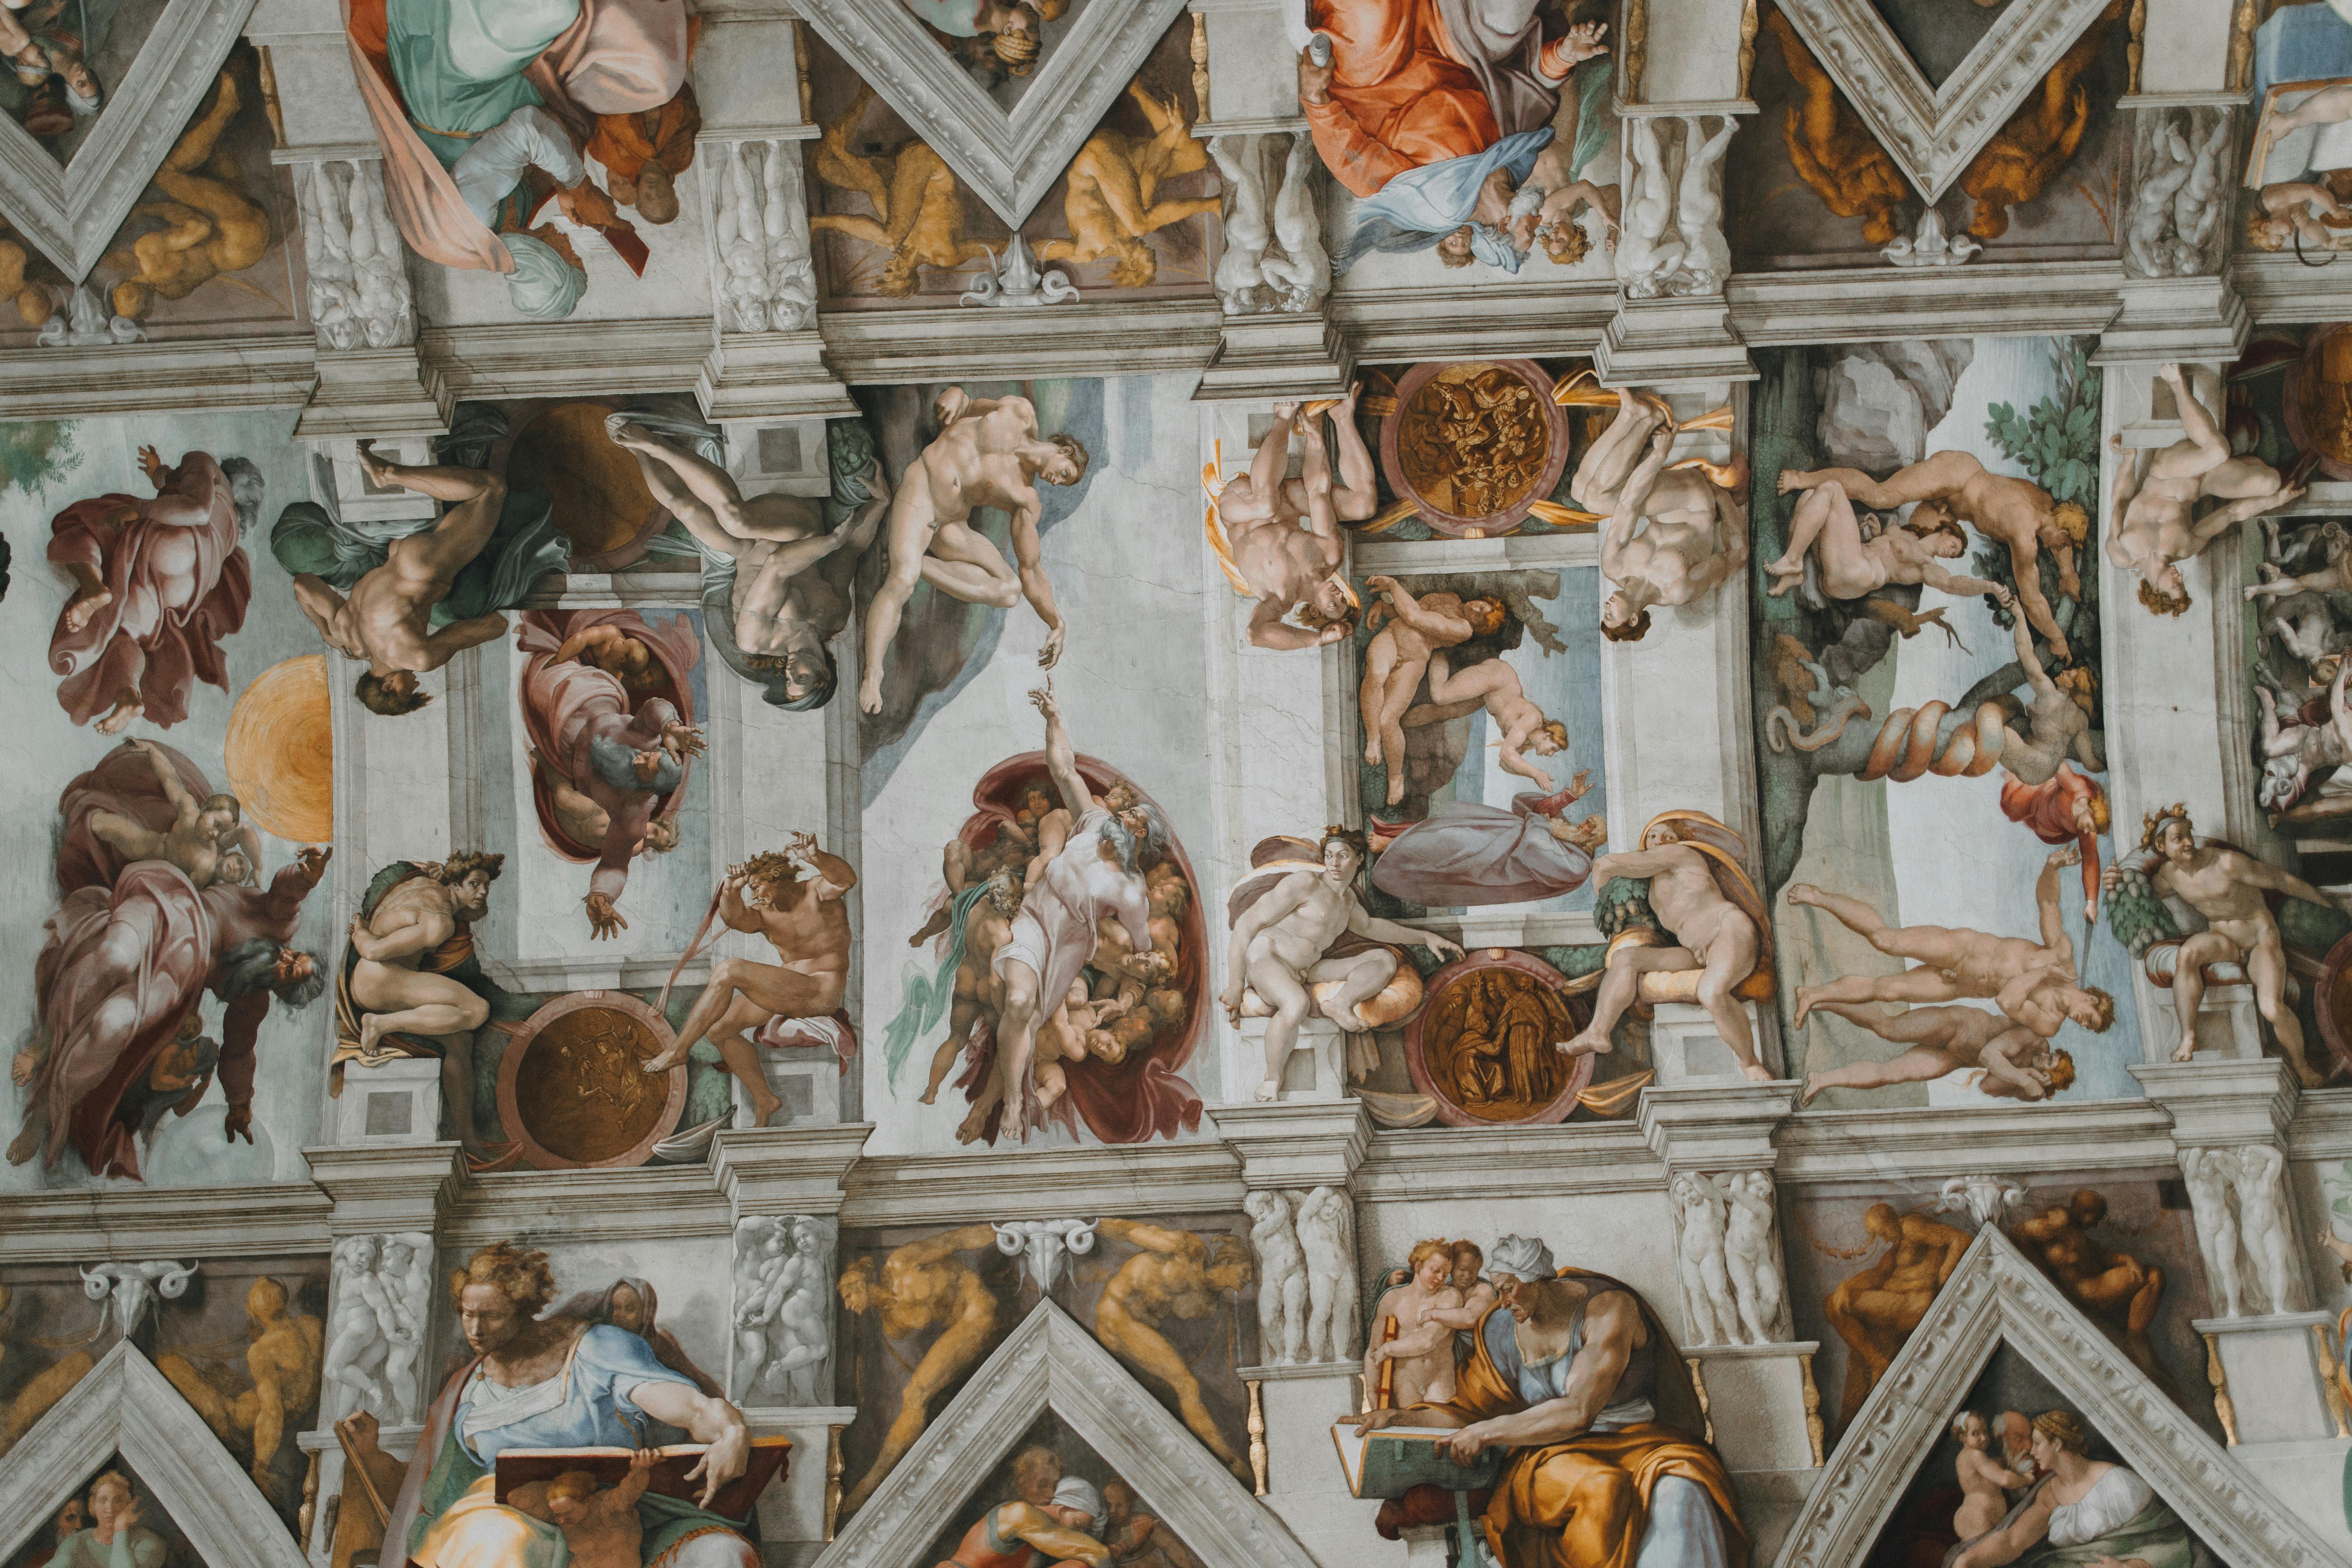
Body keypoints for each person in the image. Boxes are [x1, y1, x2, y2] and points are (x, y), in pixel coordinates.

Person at [343, 1241, 757, 1568]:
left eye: (492, 1316)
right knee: (502, 1542)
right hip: (506, 1520)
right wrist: (370, 1453)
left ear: (526, 1311)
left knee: (722, 1555)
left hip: (626, 1518)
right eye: (468, 1315)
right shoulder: (466, 1390)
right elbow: (430, 1490)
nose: (476, 1329)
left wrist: (732, 1432)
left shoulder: (595, 1350)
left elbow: (693, 1409)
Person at [1341, 1233, 1746, 1567]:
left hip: (1638, 1439)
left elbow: (1579, 1411)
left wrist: (1487, 1432)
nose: (1502, 1302)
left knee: (1682, 1492)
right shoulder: (1501, 1330)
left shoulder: (1607, 1309)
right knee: (1601, 1487)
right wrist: (1397, 1416)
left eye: (1508, 1289)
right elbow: (1466, 1411)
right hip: (1550, 1453)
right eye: (1498, 1291)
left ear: (1536, 1279)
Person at [607, 420, 891, 711]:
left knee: (685, 508)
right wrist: (880, 505)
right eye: (801, 678)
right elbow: (850, 553)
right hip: (802, 529)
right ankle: (656, 443)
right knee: (736, 520)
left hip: (746, 549)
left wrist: (833, 542)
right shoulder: (834, 617)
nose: (790, 672)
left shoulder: (756, 640)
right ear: (824, 674)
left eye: (787, 679)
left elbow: (776, 568)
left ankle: (637, 450)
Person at [987, 686, 1168, 1141]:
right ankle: (1012, 1098)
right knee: (1018, 1002)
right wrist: (1054, 718)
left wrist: (1125, 999)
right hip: (1034, 920)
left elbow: (1142, 957)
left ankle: (1022, 1091)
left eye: (1134, 822)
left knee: (1029, 1016)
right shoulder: (1089, 825)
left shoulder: (1131, 892)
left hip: (1069, 946)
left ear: (1141, 838)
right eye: (1126, 815)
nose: (1123, 819)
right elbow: (1064, 770)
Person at [858, 389, 1090, 714]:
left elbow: (1031, 568)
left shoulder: (1026, 499)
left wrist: (1056, 623)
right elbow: (970, 406)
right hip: (924, 487)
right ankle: (873, 674)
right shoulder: (1019, 413)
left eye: (1063, 484)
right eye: (1065, 473)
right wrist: (956, 396)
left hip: (952, 522)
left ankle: (921, 564)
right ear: (1065, 450)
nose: (1056, 482)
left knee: (1009, 590)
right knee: (901, 579)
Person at [1222, 827, 1462, 1101]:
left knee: (1384, 959)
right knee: (1296, 1004)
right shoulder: (1305, 884)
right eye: (1329, 856)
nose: (1334, 864)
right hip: (1269, 958)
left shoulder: (1347, 903)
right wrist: (1234, 985)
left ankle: (1340, 1004)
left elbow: (1373, 928)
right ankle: (1272, 1079)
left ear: (1359, 859)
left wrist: (1425, 937)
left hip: (1306, 970)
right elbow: (1246, 925)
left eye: (1343, 856)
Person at [2104, 803, 2336, 1087]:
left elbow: (2280, 879)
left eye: (2189, 835)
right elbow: (2139, 892)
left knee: (2272, 1009)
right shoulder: (2168, 876)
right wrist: (2114, 881)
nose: (2189, 843)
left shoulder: (2225, 863)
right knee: (2187, 954)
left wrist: (2325, 903)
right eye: (2179, 839)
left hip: (2260, 939)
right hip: (2224, 941)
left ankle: (2302, 1067)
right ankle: (2188, 1037)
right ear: (2161, 846)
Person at [1775, 452, 2088, 662]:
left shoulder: (2047, 505)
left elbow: (2062, 543)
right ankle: (1801, 478)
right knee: (1880, 495)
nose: (2053, 548)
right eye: (2057, 544)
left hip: (1956, 505)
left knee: (1903, 546)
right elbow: (2031, 597)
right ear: (2059, 530)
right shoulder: (2025, 534)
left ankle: (1823, 547)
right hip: (1960, 475)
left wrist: (2069, 574)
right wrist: (2056, 637)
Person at [1787, 846, 2116, 1044]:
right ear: (2090, 998)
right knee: (1885, 940)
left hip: (1960, 986)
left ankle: (1813, 995)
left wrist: (2043, 972)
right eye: (2090, 1018)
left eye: (2088, 1027)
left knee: (1887, 990)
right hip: (1962, 949)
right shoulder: (2063, 954)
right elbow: (2048, 903)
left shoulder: (2049, 1023)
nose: (2082, 1024)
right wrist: (2051, 867)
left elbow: (2007, 999)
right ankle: (1819, 897)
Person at [290, 444, 529, 717]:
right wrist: (324, 631)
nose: (416, 683)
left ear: (388, 686)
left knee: (492, 488)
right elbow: (303, 584)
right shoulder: (348, 639)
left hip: (424, 570)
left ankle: (389, 474)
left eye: (409, 691)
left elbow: (495, 625)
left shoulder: (417, 658)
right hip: (397, 555)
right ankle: (390, 474)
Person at [639, 836, 857, 1127]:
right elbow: (736, 919)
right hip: (790, 989)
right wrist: (732, 890)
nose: (755, 896)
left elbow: (846, 879)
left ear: (775, 877)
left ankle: (679, 1050)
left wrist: (816, 857)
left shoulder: (817, 891)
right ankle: (766, 1098)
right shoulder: (765, 915)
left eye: (756, 887)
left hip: (821, 990)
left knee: (730, 970)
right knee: (719, 1030)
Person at [515, 610, 705, 938]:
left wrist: (601, 896)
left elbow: (615, 865)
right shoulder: (646, 739)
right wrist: (671, 726)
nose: (645, 757)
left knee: (536, 687)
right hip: (590, 693)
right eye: (653, 755)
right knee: (543, 672)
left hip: (559, 733)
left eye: (649, 766)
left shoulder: (631, 813)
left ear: (648, 784)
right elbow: (654, 707)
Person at [47, 444, 252, 734]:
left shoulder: (203, 463)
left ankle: (94, 588)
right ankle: (129, 695)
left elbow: (198, 510)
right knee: (129, 634)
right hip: (188, 587)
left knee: (82, 522)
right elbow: (174, 481)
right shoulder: (230, 530)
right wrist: (159, 472)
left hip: (173, 538)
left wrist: (140, 508)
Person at [1560, 811, 1773, 1081]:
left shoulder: (1682, 856)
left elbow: (1607, 865)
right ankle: (1598, 1033)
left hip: (1728, 931)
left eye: (1668, 836)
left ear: (1679, 841)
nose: (1660, 841)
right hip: (1698, 952)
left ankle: (1750, 1064)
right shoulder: (1654, 887)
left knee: (1711, 991)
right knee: (1627, 959)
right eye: (1652, 836)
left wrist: (1602, 888)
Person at [2107, 364, 2303, 616]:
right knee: (2271, 484)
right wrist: (2274, 501)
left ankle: (2177, 384)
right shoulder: (2185, 548)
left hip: (2166, 470)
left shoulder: (2121, 554)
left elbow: (2120, 500)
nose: (2179, 578)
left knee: (2219, 451)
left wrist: (2129, 459)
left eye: (2175, 585)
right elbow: (2231, 514)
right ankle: (2237, 461)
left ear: (2156, 591)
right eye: (2182, 584)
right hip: (2202, 482)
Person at [835, 1224, 1004, 1514]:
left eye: (849, 1296)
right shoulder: (893, 1323)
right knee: (915, 1396)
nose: (849, 1305)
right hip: (966, 1328)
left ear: (859, 1284)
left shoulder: (902, 1262)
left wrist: (1003, 1230)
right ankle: (875, 1481)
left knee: (915, 1395)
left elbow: (956, 1238)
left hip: (979, 1308)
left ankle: (868, 1485)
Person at [344, 852, 505, 1149]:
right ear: (455, 884)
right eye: (474, 884)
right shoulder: (439, 921)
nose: (482, 893)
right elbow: (374, 952)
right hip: (379, 979)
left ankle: (465, 1134)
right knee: (477, 1009)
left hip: (380, 978)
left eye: (486, 886)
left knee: (460, 1041)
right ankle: (379, 1023)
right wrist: (360, 933)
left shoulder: (424, 882)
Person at [1091, 1218, 1256, 1480]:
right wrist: (1092, 1223)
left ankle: (1220, 1459)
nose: (1247, 1281)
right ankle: (1231, 1461)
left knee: (1174, 1391)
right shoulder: (1187, 1249)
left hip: (1132, 1331)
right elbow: (1130, 1231)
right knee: (1187, 1386)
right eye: (1245, 1272)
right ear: (1228, 1261)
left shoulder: (1208, 1304)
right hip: (1117, 1314)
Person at [1212, 390, 1376, 651]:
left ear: (1314, 609)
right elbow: (1317, 493)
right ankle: (1343, 417)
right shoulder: (1330, 556)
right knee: (1364, 505)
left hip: (1244, 506)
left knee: (1266, 505)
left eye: (1334, 604)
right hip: (1287, 502)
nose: (1339, 594)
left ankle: (1283, 418)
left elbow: (1256, 634)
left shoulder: (1279, 598)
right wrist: (1315, 440)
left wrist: (1319, 640)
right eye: (1344, 598)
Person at [1949, 1410, 2203, 1567]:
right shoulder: (2049, 1493)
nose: (2032, 1451)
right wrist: (1969, 1561)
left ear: (2058, 1444)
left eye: (2039, 1444)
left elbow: (2168, 1541)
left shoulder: (2116, 1482)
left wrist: (2128, 1567)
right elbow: (2013, 1540)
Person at [1359, 578, 1507, 806]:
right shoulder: (1451, 597)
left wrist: (1392, 585)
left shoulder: (1463, 629)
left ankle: (1396, 776)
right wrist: (1384, 607)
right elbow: (1411, 608)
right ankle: (1372, 738)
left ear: (1478, 627)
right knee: (1376, 675)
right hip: (1391, 637)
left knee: (1389, 719)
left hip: (1413, 660)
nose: (1476, 609)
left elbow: (1415, 617)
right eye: (1482, 606)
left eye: (1479, 616)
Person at [1598, 418, 1750, 640]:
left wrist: (1659, 456)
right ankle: (1647, 427)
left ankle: (1642, 423)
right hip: (1695, 508)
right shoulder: (1678, 591)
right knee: (1600, 500)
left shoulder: (1613, 567)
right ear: (1633, 619)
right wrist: (1723, 497)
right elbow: (1737, 556)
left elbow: (1626, 507)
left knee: (1594, 498)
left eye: (1605, 613)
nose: (1606, 607)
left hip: (1663, 509)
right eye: (1610, 616)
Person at [1825, 1204, 1970, 1424]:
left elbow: (1961, 1239)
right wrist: (1848, 1285)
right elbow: (1879, 1275)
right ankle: (1875, 1363)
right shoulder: (1896, 1248)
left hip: (1912, 1304)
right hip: (1898, 1305)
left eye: (1883, 1232)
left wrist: (1944, 1280)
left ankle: (1878, 1362)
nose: (1883, 1239)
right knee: (1838, 1312)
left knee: (1836, 1306)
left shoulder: (1911, 1227)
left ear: (1890, 1220)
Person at [1764, 473, 2003, 604]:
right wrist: (1878, 533)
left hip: (1858, 575)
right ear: (1946, 531)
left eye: (1954, 554)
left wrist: (1990, 587)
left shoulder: (1926, 564)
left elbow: (1952, 584)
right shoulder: (1907, 534)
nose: (1950, 553)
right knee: (1809, 496)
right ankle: (1795, 574)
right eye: (1953, 546)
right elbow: (1889, 547)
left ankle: (1794, 559)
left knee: (1833, 489)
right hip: (1841, 571)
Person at [1370, 775, 1605, 907]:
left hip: (1497, 862)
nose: (1583, 825)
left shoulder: (1578, 867)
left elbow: (1535, 848)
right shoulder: (1571, 835)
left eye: (1590, 828)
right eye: (1587, 821)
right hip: (1498, 835)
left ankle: (1387, 849)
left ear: (1593, 841)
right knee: (1444, 828)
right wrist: (1568, 797)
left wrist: (1543, 823)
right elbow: (1537, 810)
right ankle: (1388, 834)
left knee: (1447, 842)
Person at [2010, 1194, 2166, 1385]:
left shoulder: (2075, 1232)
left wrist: (2126, 1258)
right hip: (2085, 1291)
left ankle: (2135, 1336)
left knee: (2155, 1275)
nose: (2096, 1225)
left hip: (2093, 1283)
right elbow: (2018, 1234)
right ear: (2086, 1212)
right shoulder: (2058, 1220)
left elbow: (2100, 1254)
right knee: (2149, 1277)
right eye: (2096, 1218)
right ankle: (2134, 1339)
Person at [1798, 1000, 2069, 1106]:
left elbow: (1987, 1086)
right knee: (1888, 1028)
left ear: (2048, 1078)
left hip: (1955, 1058)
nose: (2044, 1061)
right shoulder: (2034, 1040)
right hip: (1955, 1026)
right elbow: (1989, 1054)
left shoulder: (2027, 1077)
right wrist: (2024, 1079)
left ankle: (1820, 1080)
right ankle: (1819, 998)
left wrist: (2023, 1076)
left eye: (2048, 1067)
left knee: (1892, 1074)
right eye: (2051, 1058)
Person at [83, 738, 255, 891]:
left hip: (154, 875)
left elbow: (182, 894)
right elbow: (170, 779)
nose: (216, 834)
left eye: (222, 832)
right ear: (205, 810)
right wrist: (152, 750)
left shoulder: (205, 865)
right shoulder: (189, 811)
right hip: (145, 844)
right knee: (97, 823)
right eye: (216, 824)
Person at [1406, 649, 1569, 792]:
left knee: (1446, 712)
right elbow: (1506, 754)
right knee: (1440, 695)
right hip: (1498, 678)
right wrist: (1536, 773)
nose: (1551, 754)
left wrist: (1532, 775)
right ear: (1548, 736)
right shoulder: (1533, 720)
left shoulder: (1526, 741)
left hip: (1489, 696)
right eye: (1554, 748)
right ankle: (1439, 649)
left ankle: (1400, 724)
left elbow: (1505, 764)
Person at [935, 1448, 1112, 1568]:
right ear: (1063, 1509)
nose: (1051, 1494)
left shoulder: (1036, 1538)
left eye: (1054, 1485)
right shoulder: (1020, 1514)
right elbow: (1098, 1552)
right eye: (1079, 1524)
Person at [1364, 1239, 1468, 1406]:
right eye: (1436, 1271)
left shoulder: (1450, 1296)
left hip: (1439, 1378)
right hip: (1405, 1382)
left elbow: (1428, 1340)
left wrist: (1388, 1349)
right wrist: (1371, 1389)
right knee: (1409, 1429)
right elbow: (1374, 1349)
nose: (1441, 1278)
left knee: (1440, 1429)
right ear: (1419, 1266)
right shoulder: (1392, 1299)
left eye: (1446, 1274)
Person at [508, 1450, 655, 1568]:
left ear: (588, 1501)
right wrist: (557, 1487)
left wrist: (641, 1468)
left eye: (567, 1513)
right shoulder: (563, 1520)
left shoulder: (610, 1505)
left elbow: (629, 1492)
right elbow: (514, 1498)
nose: (562, 1520)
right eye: (557, 1515)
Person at [43, 1472, 164, 1568]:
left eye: (118, 1501)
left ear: (129, 1506)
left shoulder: (148, 1542)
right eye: (102, 1500)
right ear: (93, 1506)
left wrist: (121, 1532)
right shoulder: (76, 1542)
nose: (110, 1509)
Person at [1951, 1411, 2037, 1542]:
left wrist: (2006, 1460)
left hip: (1978, 1518)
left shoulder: (1968, 1457)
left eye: (1985, 1432)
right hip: (1977, 1518)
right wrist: (2027, 1479)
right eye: (1976, 1433)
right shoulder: (1975, 1455)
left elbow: (1990, 1469)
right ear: (1963, 1437)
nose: (1984, 1438)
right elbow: (2005, 1479)